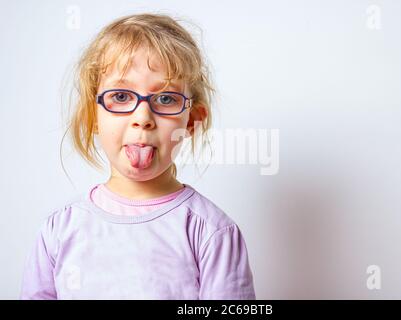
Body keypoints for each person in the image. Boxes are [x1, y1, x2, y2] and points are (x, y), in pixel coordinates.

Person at [20, 13, 255, 300]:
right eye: (120, 97)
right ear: (93, 117)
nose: (142, 118)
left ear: (191, 121)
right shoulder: (58, 230)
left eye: (166, 99)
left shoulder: (212, 232)